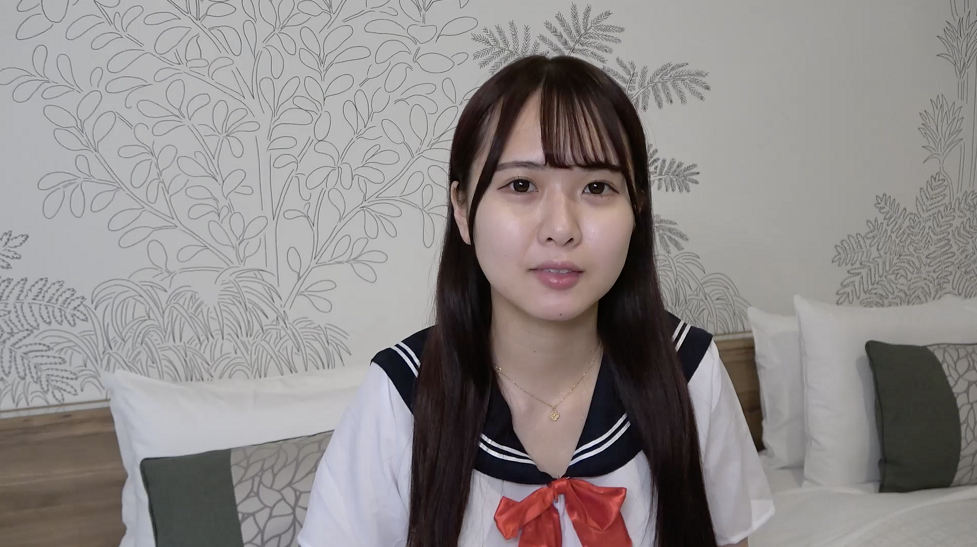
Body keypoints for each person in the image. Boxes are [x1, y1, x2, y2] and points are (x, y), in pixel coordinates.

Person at [297, 55, 773, 547]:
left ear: (637, 206)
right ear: (462, 208)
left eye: (597, 187)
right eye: (521, 185)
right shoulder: (403, 395)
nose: (561, 229)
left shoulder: (688, 371)